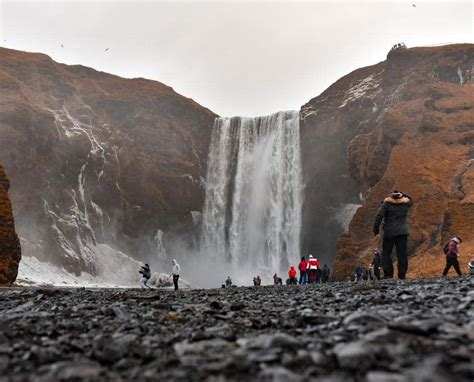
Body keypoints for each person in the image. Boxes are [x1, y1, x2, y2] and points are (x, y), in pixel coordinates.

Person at [373, 190, 413, 279]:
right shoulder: (405, 204)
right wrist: (403, 193)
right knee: (402, 254)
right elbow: (411, 199)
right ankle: (402, 275)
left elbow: (379, 216)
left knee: (386, 253)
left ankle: (388, 274)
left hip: (389, 232)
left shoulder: (386, 204)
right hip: (402, 232)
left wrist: (376, 230)